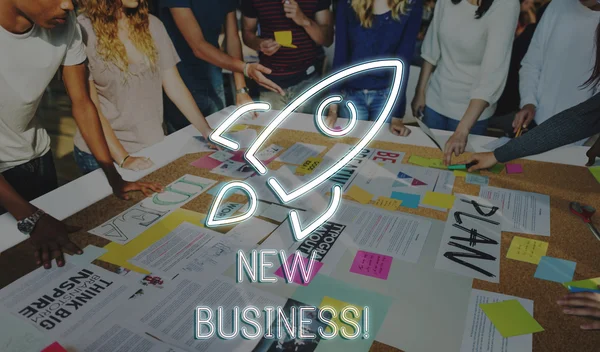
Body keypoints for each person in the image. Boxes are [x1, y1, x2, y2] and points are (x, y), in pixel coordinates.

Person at [0, 0, 162, 269]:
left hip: (37, 158)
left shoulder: (65, 23)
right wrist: (31, 217)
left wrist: (114, 176)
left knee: (49, 264)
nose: (67, 5)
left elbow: (83, 104)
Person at [73, 0, 215, 174]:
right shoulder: (81, 31)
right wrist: (123, 158)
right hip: (102, 154)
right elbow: (89, 107)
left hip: (150, 146)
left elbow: (174, 85)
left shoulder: (153, 24)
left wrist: (207, 130)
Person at [411, 0, 520, 165]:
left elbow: (492, 74)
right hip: (435, 101)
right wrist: (420, 92)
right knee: (426, 167)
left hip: (471, 114)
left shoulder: (506, 5)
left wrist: (462, 130)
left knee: (459, 179)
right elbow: (431, 47)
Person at [159, 0, 284, 133]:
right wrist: (245, 68)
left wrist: (241, 89)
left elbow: (233, 39)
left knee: (219, 139)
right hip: (179, 79)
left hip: (213, 74)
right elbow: (198, 47)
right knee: (187, 141)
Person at [325, 0, 423, 136]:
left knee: (379, 150)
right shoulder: (347, 3)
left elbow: (403, 61)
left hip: (387, 95)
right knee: (349, 148)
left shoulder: (411, 5)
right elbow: (341, 54)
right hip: (351, 94)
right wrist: (333, 109)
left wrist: (397, 116)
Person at [511, 0, 600, 139]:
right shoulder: (558, 5)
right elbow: (531, 64)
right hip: (537, 124)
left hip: (582, 136)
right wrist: (528, 102)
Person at [241, 0, 334, 112]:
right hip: (270, 82)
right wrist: (258, 43)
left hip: (308, 79)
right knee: (274, 130)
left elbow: (327, 39)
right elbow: (247, 32)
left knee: (308, 129)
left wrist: (304, 20)